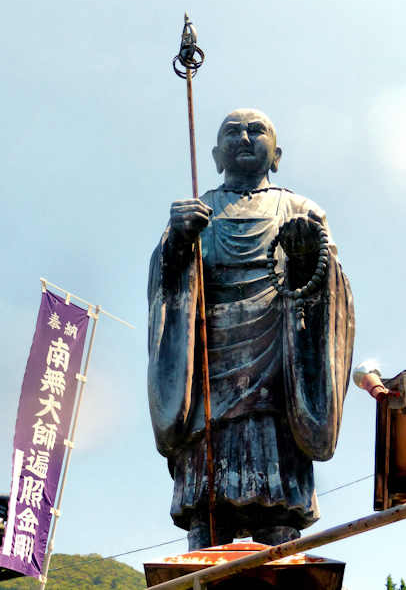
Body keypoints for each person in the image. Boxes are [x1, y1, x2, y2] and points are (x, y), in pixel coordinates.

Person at [148, 108, 355, 549]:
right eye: (232, 132)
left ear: (276, 154)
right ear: (215, 154)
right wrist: (176, 245)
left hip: (279, 371)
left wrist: (307, 262)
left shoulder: (300, 208)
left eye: (256, 130)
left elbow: (332, 293)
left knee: (277, 520)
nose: (243, 137)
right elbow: (167, 293)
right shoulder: (197, 214)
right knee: (207, 517)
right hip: (208, 371)